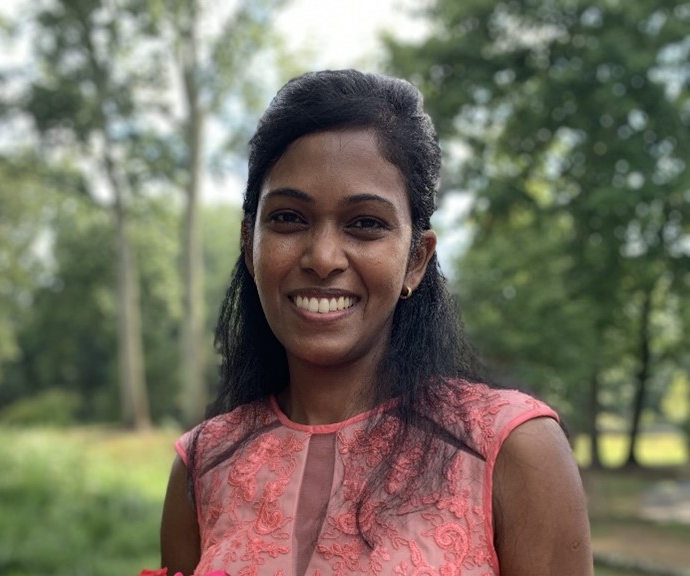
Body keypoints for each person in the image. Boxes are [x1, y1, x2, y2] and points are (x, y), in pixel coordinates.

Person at [160, 69, 593, 576]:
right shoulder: (202, 465)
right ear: (249, 245)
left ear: (416, 260)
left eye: (365, 223)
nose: (323, 258)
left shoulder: (511, 449)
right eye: (289, 218)